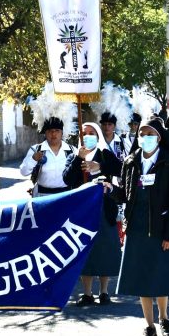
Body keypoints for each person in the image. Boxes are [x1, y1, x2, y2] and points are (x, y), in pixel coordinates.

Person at [109, 116, 169, 336]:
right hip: (137, 226)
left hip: (161, 227)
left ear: (159, 137)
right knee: (142, 277)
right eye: (142, 134)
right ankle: (148, 325)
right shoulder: (131, 161)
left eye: (150, 134)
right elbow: (124, 194)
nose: (145, 138)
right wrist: (109, 188)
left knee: (160, 275)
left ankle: (164, 319)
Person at [63, 122, 123, 306]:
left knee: (104, 249)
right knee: (84, 250)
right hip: (81, 212)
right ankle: (87, 293)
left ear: (98, 136)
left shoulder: (105, 154)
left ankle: (104, 291)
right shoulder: (73, 156)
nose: (87, 136)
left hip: (104, 209)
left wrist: (99, 167)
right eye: (84, 133)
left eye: (91, 133)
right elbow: (66, 179)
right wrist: (77, 160)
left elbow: (120, 170)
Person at [19, 117, 75, 197]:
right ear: (45, 133)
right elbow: (23, 172)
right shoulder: (36, 149)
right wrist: (33, 159)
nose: (53, 134)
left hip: (66, 197)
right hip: (42, 197)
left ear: (62, 133)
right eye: (49, 131)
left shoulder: (72, 151)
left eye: (57, 130)